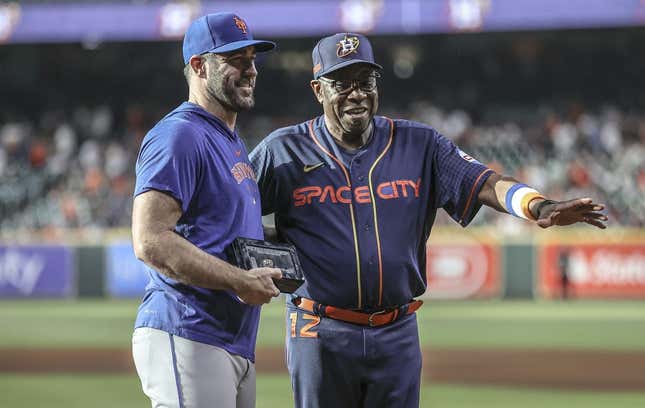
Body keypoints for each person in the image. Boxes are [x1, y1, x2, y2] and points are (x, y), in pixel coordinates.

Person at [249, 33, 608, 408]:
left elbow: (484, 183)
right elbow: (231, 209)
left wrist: (539, 207)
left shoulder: (418, 144)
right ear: (318, 90)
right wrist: (272, 242)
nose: (356, 93)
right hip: (318, 329)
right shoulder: (283, 150)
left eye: (365, 81)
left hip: (396, 331)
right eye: (341, 83)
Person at [131, 12, 283, 408]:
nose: (251, 71)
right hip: (188, 329)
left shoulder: (229, 141)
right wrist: (239, 281)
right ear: (199, 65)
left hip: (229, 339)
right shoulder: (180, 134)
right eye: (236, 59)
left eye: (252, 59)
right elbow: (150, 241)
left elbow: (226, 236)